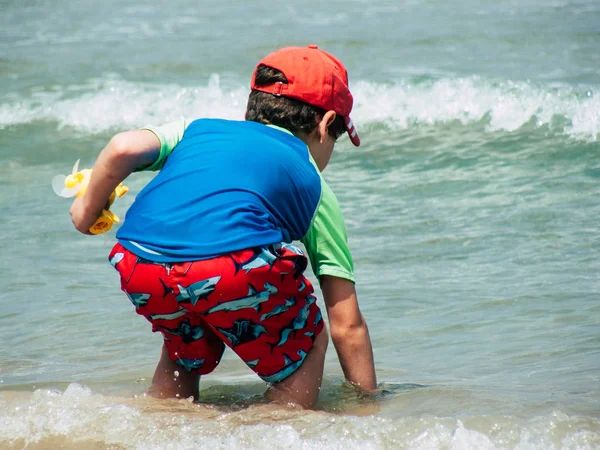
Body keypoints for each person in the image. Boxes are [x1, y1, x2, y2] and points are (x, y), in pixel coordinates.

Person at [69, 45, 377, 409]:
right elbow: (347, 323)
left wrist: (86, 212)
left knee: (186, 335)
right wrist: (368, 402)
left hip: (138, 261)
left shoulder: (197, 131)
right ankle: (280, 425)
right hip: (232, 267)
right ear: (326, 126)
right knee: (308, 340)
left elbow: (122, 148)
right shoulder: (313, 182)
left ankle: (160, 420)